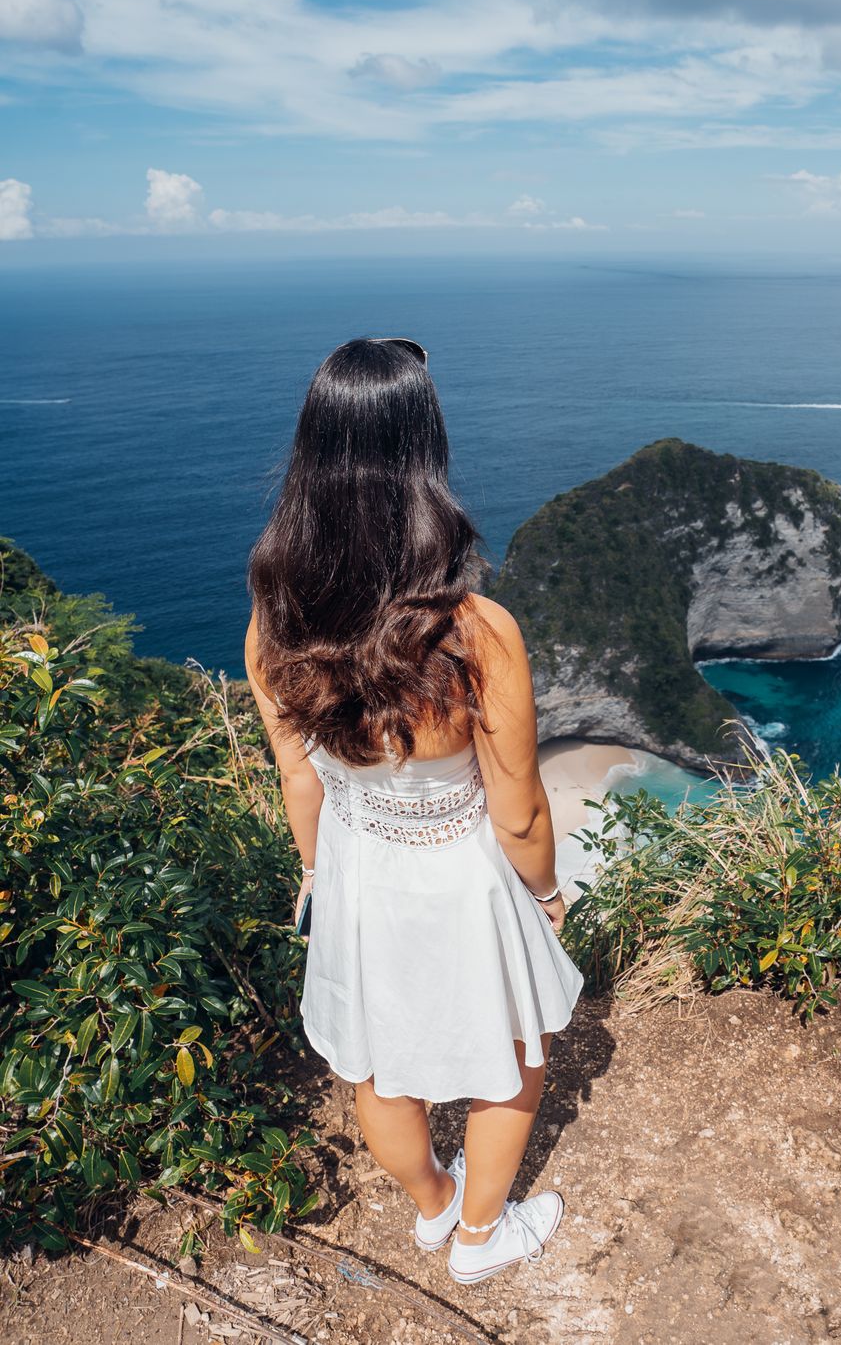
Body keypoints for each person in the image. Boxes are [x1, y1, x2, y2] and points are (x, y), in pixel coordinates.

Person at [243, 336, 585, 1286]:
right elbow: (518, 810)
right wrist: (547, 892)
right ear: (422, 459)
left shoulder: (278, 616)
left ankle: (436, 1207)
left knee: (377, 1069)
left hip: (356, 866)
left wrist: (318, 872)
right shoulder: (473, 633)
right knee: (511, 1058)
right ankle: (482, 1238)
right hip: (458, 877)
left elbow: (296, 771)